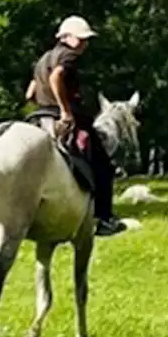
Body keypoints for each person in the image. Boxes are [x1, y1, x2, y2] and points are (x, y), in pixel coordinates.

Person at [26, 15, 124, 237]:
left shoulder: (43, 59)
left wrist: (45, 102)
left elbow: (30, 93)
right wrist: (65, 110)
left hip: (40, 116)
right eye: (80, 39)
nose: (84, 44)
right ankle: (104, 218)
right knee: (103, 165)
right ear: (65, 37)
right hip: (64, 117)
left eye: (86, 40)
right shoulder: (67, 56)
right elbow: (56, 78)